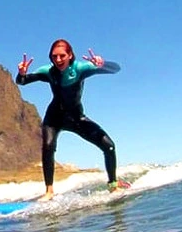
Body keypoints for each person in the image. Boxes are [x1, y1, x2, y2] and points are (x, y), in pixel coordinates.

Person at [16, 38, 130, 201]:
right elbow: (22, 82)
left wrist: (102, 63)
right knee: (48, 147)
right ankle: (49, 191)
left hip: (76, 118)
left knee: (109, 146)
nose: (58, 60)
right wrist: (21, 73)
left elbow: (115, 69)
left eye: (62, 56)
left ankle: (113, 184)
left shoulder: (81, 69)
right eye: (54, 56)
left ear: (70, 55)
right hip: (54, 118)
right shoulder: (48, 71)